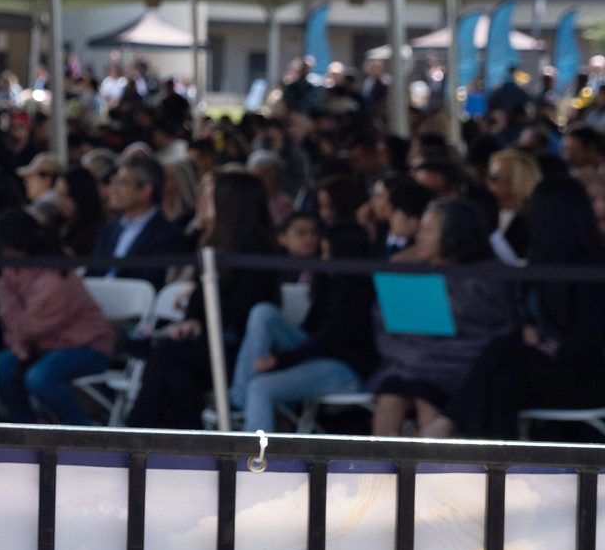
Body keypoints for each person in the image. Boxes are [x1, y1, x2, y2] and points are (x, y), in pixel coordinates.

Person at [444, 177, 605, 439]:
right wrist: (529, 328)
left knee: (500, 350)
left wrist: (559, 350)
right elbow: (530, 314)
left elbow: (591, 332)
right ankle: (499, 464)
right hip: (547, 367)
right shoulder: (542, 261)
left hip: (580, 374)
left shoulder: (590, 265)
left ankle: (447, 424)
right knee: (502, 384)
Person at [126, 170, 281, 429]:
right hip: (212, 343)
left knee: (166, 354)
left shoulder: (256, 252)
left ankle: (137, 431)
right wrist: (194, 320)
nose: (204, 203)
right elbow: (202, 302)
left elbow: (240, 313)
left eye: (213, 197)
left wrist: (200, 321)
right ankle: (193, 443)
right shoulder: (214, 244)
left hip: (242, 352)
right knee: (177, 376)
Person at [369, 199, 520, 438]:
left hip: (457, 367)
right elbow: (387, 322)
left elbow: (497, 331)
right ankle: (378, 467)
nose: (419, 237)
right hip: (409, 362)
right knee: (389, 399)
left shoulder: (488, 274)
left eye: (428, 230)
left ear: (454, 234)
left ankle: (436, 471)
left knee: (426, 398)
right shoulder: (412, 271)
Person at [231, 220, 376, 431]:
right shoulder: (328, 284)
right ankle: (240, 402)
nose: (324, 259)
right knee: (263, 312)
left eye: (329, 253)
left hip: (343, 369)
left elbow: (327, 340)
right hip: (315, 357)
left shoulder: (361, 294)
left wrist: (280, 360)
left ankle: (254, 460)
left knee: (260, 388)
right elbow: (312, 332)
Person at [0, 211, 112, 425]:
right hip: (43, 346)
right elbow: (19, 326)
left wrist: (3, 294)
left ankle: (81, 430)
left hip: (87, 346)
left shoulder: (53, 280)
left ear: (12, 247)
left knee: (39, 378)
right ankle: (25, 429)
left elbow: (27, 327)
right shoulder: (14, 268)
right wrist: (18, 344)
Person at [92, 156, 187, 285]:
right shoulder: (109, 228)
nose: (113, 189)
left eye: (122, 183)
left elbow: (150, 281)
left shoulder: (168, 235)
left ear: (145, 190)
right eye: (113, 182)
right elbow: (92, 272)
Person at [53, 166, 105, 258]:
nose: (61, 201)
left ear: (81, 195)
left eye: (67, 195)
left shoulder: (97, 230)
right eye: (59, 195)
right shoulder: (55, 223)